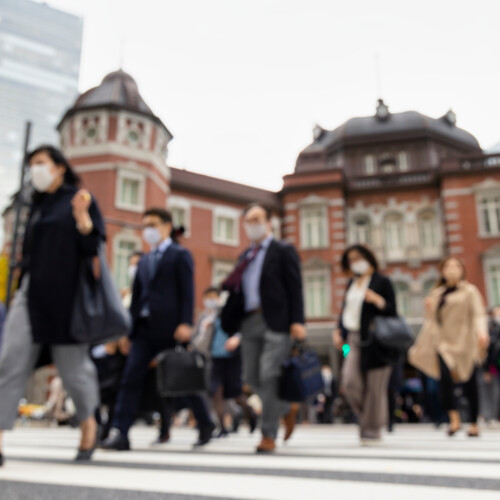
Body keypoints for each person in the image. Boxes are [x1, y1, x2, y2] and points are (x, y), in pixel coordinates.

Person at [0, 145, 105, 465]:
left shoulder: (79, 198)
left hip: (67, 296)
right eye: (31, 164)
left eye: (41, 163)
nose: (36, 170)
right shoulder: (36, 206)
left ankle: (89, 423)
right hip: (31, 294)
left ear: (60, 167)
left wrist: (82, 220)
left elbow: (92, 246)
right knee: (9, 362)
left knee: (74, 371)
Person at [101, 208, 214, 451]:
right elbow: (138, 297)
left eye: (152, 224)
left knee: (182, 377)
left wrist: (186, 322)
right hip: (143, 330)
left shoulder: (180, 254)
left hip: (171, 328)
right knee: (130, 379)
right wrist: (129, 333)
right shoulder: (144, 261)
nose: (148, 230)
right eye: (145, 226)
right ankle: (120, 432)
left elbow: (187, 289)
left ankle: (205, 423)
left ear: (166, 226)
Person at [221, 203, 306, 453]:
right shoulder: (245, 256)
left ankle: (268, 434)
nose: (253, 224)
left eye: (257, 219)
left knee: (270, 374)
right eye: (249, 220)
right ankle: (284, 407)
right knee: (250, 377)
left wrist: (297, 321)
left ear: (269, 223)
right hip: (249, 321)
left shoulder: (283, 250)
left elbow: (295, 287)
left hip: (277, 321)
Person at [409, 256, 489, 437]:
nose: (452, 270)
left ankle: (474, 423)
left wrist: (482, 333)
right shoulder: (437, 293)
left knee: (470, 383)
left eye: (456, 266)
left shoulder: (470, 291)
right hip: (443, 343)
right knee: (444, 380)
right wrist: (428, 309)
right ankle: (454, 419)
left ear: (462, 270)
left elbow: (478, 314)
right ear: (442, 271)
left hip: (465, 341)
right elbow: (430, 322)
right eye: (448, 266)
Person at [333, 244, 398, 445]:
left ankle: (371, 429)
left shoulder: (382, 281)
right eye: (351, 259)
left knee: (375, 387)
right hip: (350, 341)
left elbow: (392, 311)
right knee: (349, 380)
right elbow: (346, 310)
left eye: (358, 258)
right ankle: (369, 419)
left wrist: (378, 300)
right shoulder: (351, 283)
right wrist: (338, 331)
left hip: (377, 341)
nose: (355, 263)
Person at [192, 287, 257, 437]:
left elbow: (242, 327)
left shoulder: (229, 311)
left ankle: (251, 413)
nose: (210, 301)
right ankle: (222, 427)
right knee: (215, 392)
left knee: (235, 393)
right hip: (215, 357)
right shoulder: (205, 317)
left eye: (213, 297)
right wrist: (204, 328)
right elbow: (198, 340)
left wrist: (237, 338)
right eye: (207, 297)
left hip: (232, 356)